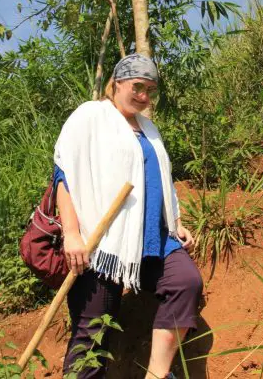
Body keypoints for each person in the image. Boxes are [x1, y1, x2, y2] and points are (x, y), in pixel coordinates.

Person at [53, 53, 203, 379]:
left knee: (185, 282)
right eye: (138, 87)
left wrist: (176, 222)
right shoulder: (92, 116)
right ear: (118, 81)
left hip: (152, 238)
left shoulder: (149, 129)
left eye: (151, 90)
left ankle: (157, 374)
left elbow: (161, 179)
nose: (144, 96)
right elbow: (64, 173)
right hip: (103, 243)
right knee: (92, 333)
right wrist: (72, 233)